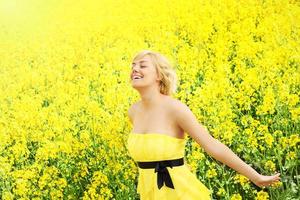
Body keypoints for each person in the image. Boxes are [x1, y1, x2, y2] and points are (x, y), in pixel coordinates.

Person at [126, 50, 281, 199]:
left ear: (159, 75)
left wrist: (256, 177)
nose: (135, 69)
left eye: (142, 65)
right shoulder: (133, 111)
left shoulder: (175, 108)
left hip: (180, 193)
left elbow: (211, 145)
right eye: (133, 65)